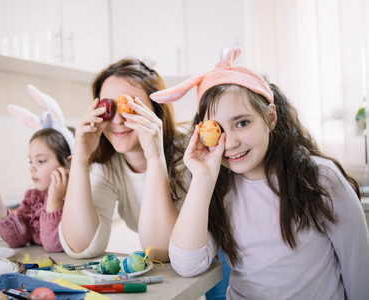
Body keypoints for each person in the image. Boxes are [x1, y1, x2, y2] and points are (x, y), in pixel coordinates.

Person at [150, 47, 369, 299]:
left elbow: (359, 272)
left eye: (242, 123)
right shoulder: (215, 186)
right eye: (216, 129)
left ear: (271, 118)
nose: (230, 142)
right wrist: (202, 180)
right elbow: (187, 265)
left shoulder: (320, 178)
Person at [59, 58, 188, 262]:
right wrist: (81, 159)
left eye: (129, 106)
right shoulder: (109, 166)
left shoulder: (190, 155)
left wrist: (154, 158)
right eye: (108, 107)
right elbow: (80, 245)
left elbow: (163, 251)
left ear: (156, 110)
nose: (117, 120)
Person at [0, 85, 74, 253]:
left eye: (40, 161)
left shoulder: (74, 200)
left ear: (68, 163)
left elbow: (53, 245)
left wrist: (54, 198)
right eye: (30, 161)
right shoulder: (32, 198)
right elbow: (18, 239)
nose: (32, 168)